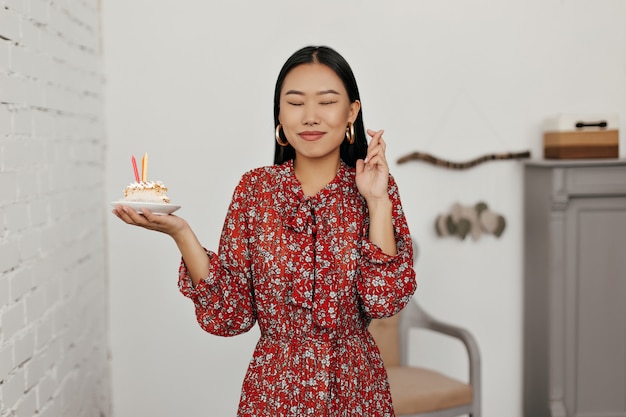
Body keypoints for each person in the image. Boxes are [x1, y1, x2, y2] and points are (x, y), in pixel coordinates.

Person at [112, 45, 417, 417]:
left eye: (326, 102)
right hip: (274, 392)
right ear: (279, 113)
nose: (309, 117)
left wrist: (377, 201)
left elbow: (384, 303)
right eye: (295, 102)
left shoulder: (376, 189)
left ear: (351, 111)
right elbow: (231, 314)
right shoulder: (255, 191)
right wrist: (181, 233)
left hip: (355, 390)